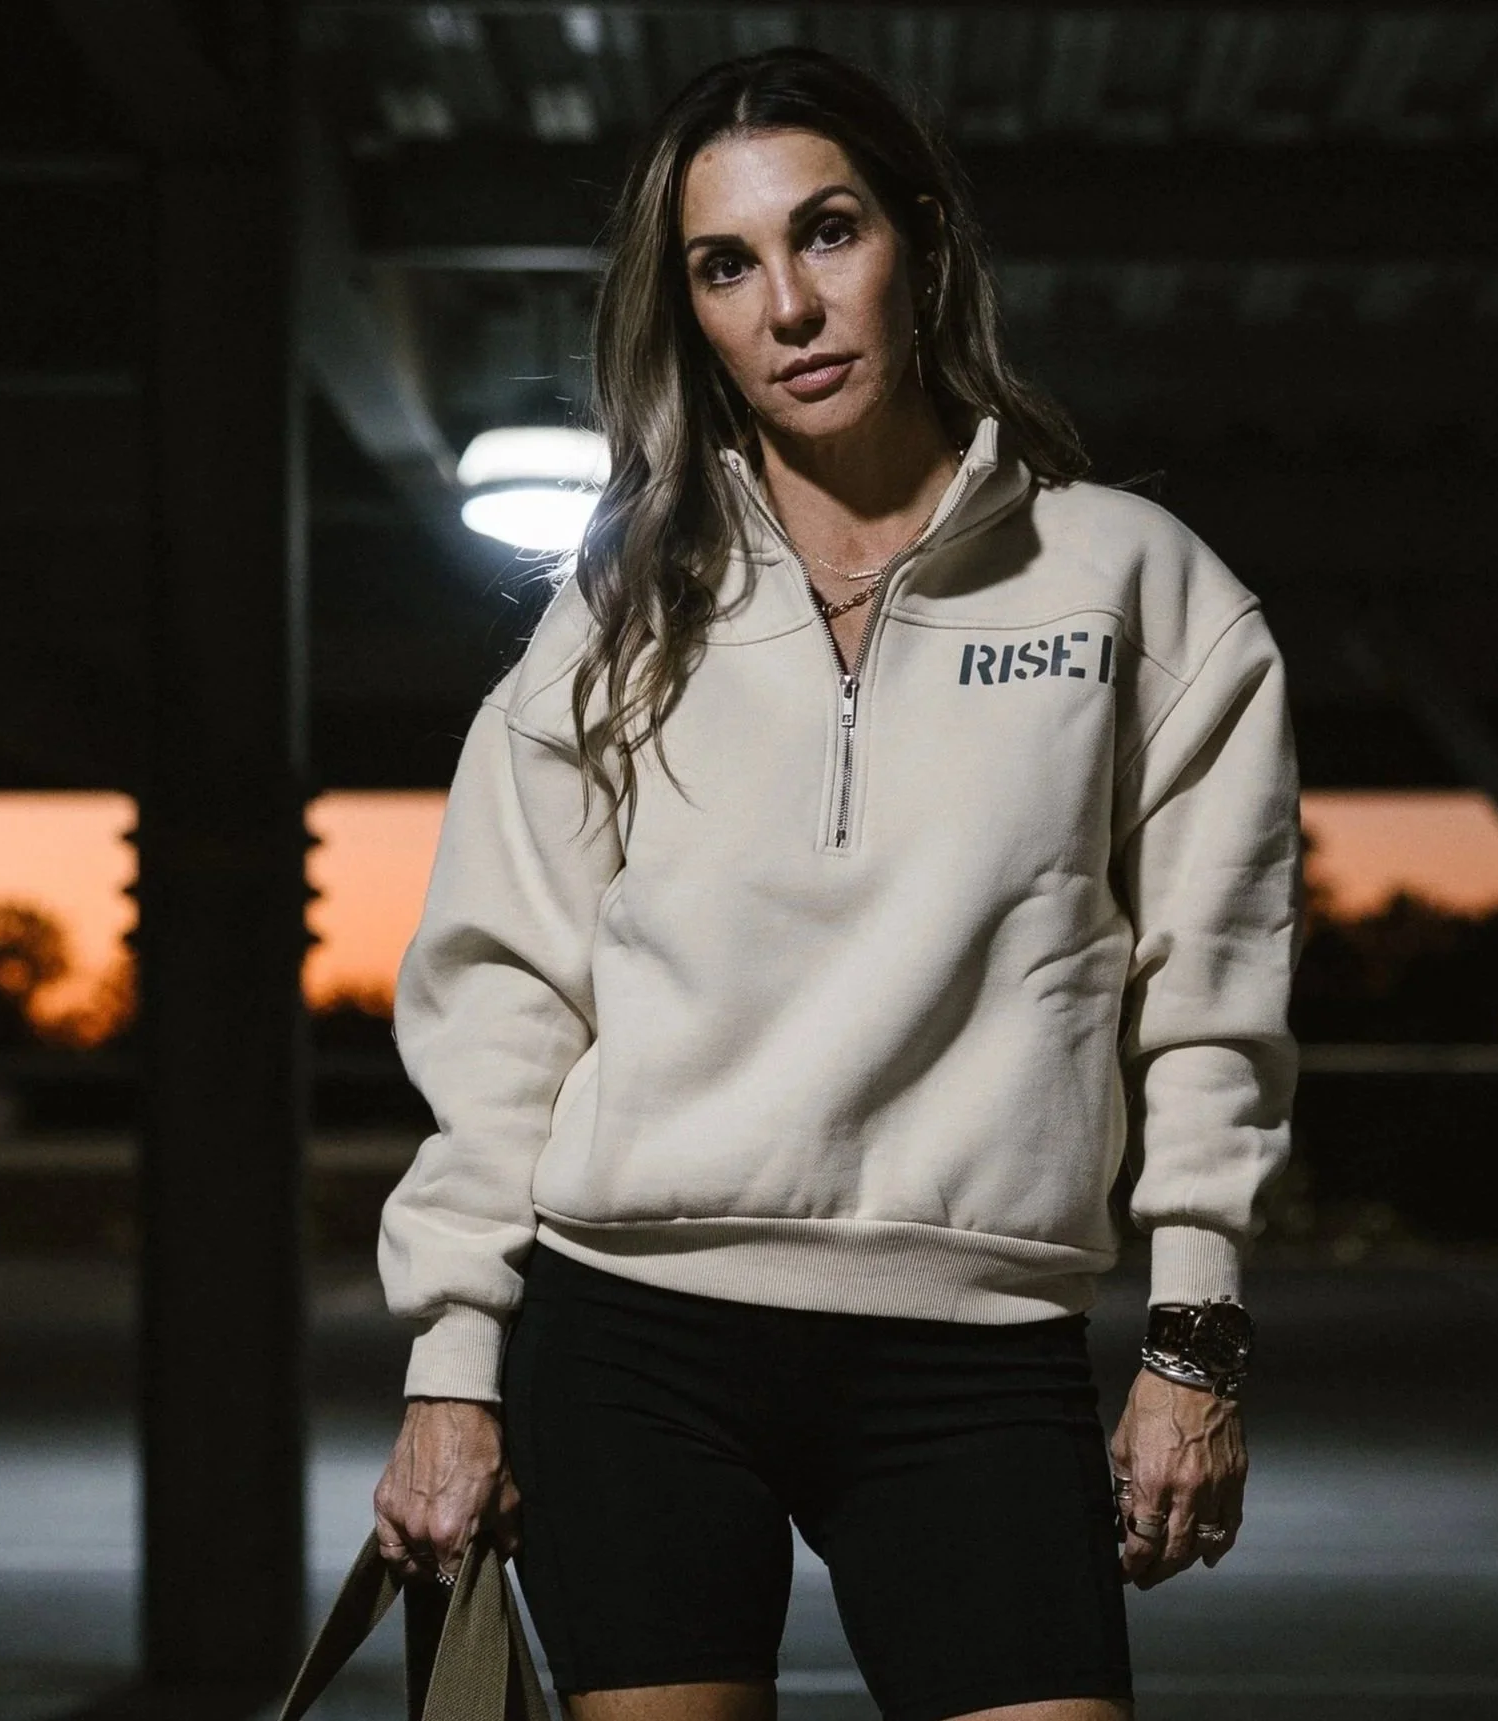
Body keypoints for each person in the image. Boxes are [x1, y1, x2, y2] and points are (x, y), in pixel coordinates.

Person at [372, 44, 1303, 1721]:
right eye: (728, 266)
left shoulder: (1142, 593)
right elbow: (504, 1000)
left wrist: (1193, 1342)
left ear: (922, 245)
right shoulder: (618, 619)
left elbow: (1213, 1005)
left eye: (829, 232)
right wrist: (453, 1367)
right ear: (695, 314)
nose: (789, 304)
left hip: (975, 1351)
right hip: (632, 1336)